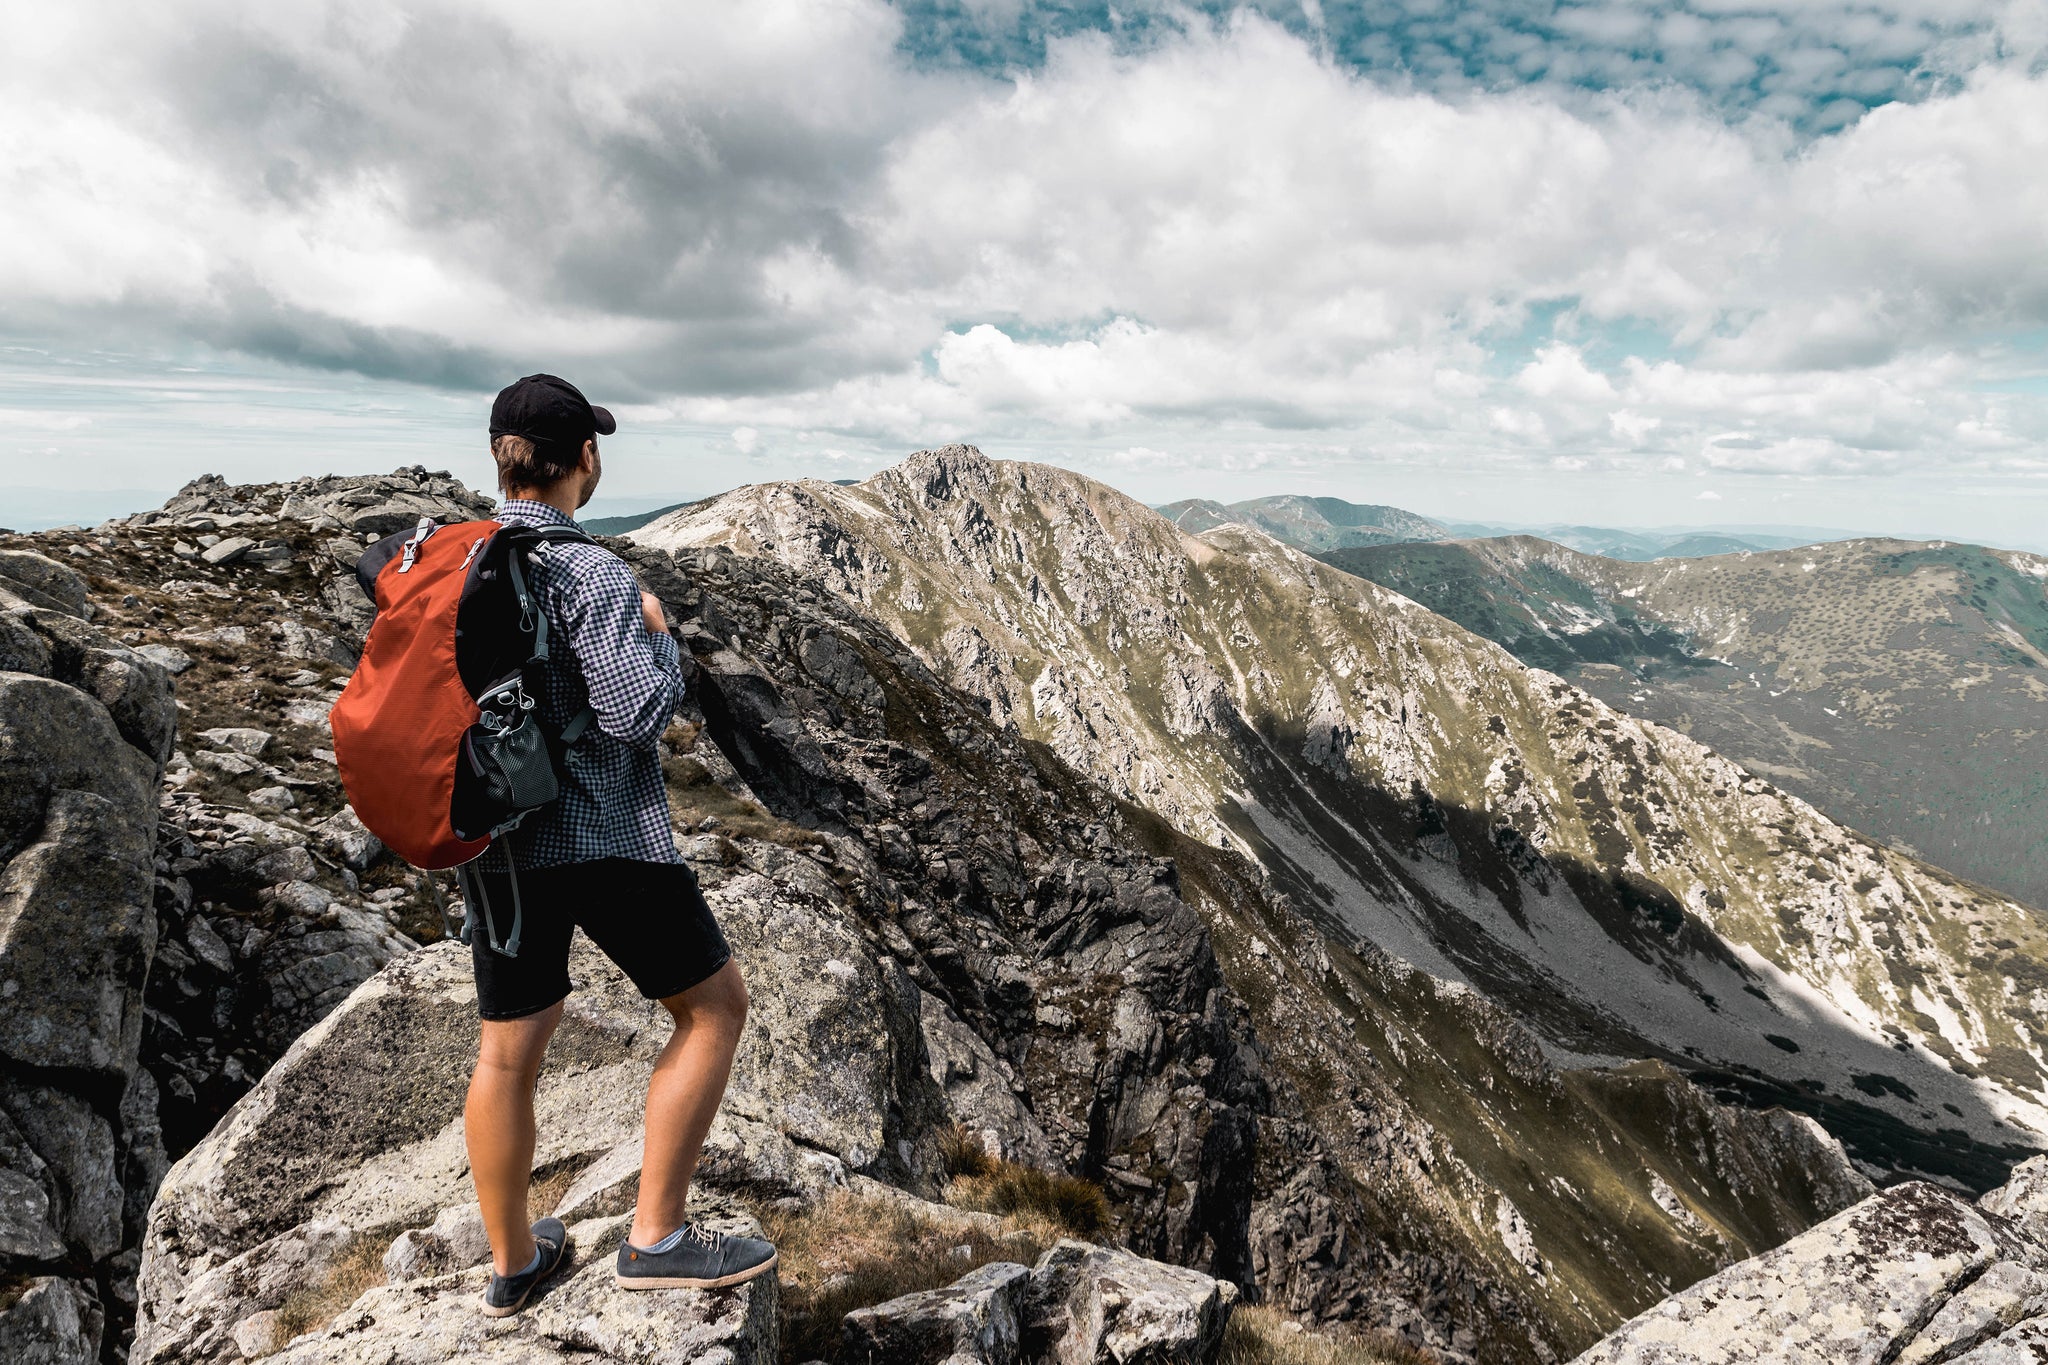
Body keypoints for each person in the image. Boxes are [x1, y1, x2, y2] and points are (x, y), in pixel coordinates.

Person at [461, 374, 776, 1318]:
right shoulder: (592, 572)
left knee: (508, 1051)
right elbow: (635, 714)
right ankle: (658, 1237)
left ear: (500, 457)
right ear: (584, 460)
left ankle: (515, 1262)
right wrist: (659, 635)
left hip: (499, 849)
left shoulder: (465, 562)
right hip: (605, 837)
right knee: (714, 1009)